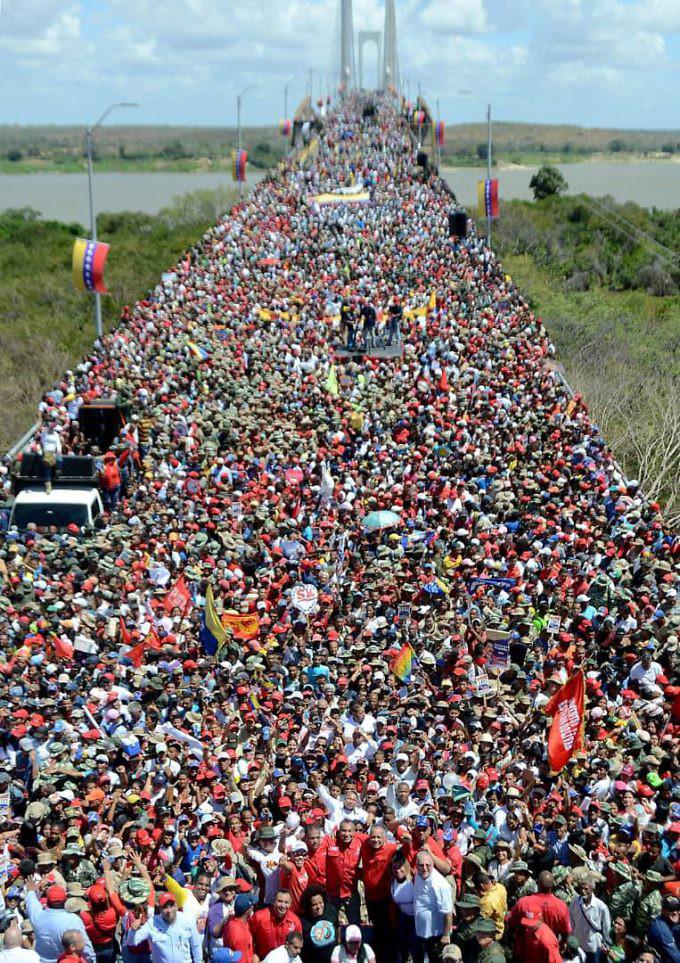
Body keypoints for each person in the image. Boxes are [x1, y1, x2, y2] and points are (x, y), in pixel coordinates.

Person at [24, 884, 96, 963]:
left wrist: (31, 892)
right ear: (65, 900)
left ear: (47, 902)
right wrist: (92, 959)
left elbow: (31, 902)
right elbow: (85, 945)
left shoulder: (37, 915)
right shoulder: (73, 920)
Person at [127, 894, 202, 963]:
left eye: (171, 906)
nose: (169, 910)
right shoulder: (152, 923)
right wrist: (133, 931)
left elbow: (196, 946)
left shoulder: (188, 920)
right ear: (160, 909)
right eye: (165, 907)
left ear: (176, 906)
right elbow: (132, 942)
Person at [413, 852, 453, 963]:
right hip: (421, 931)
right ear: (416, 865)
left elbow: (448, 913)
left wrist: (445, 935)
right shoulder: (418, 875)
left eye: (428, 865)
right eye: (421, 865)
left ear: (433, 864)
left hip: (436, 934)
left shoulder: (441, 885)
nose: (424, 868)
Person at [249, 892, 302, 961]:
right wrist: (253, 954)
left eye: (286, 902)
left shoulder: (295, 921)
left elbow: (298, 944)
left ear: (290, 904)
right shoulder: (259, 917)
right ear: (274, 901)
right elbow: (247, 937)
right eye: (280, 901)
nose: (283, 905)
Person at [569, 880, 611, 963]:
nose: (583, 891)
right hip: (578, 946)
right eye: (581, 888)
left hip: (593, 947)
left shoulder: (601, 907)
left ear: (592, 890)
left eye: (586, 889)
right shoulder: (574, 902)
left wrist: (607, 944)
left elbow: (606, 928)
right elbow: (570, 921)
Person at [298, 886, 339, 963]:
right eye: (314, 904)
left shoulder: (330, 910)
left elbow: (338, 927)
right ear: (308, 906)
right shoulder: (302, 922)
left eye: (320, 903)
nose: (319, 907)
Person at [646, 896, 680, 963]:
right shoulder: (660, 928)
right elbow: (674, 955)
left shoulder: (673, 922)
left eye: (677, 908)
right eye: (671, 909)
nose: (675, 912)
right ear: (663, 910)